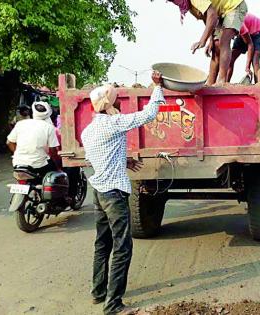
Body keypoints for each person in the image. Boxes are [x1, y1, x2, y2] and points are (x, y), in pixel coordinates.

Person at [81, 71, 165, 315]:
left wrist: (123, 161)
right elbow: (148, 114)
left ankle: (98, 293)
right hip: (114, 194)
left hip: (98, 190)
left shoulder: (89, 130)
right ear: (109, 104)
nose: (120, 100)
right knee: (122, 246)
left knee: (102, 243)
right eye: (116, 98)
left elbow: (96, 156)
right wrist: (157, 87)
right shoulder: (113, 123)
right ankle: (113, 305)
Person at [168, 0, 248, 85]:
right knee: (216, 46)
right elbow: (207, 19)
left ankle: (221, 80)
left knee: (224, 41)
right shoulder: (191, 7)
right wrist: (211, 40)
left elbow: (212, 16)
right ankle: (210, 82)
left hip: (234, 6)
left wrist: (203, 40)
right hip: (220, 12)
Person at [6, 101, 60, 180]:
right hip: (39, 165)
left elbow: (9, 142)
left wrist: (17, 153)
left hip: (18, 163)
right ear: (48, 114)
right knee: (56, 176)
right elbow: (53, 150)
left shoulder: (20, 124)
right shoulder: (49, 127)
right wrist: (57, 165)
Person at [227, 13, 260, 83]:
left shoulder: (239, 25)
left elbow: (250, 45)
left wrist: (247, 67)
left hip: (257, 30)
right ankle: (225, 82)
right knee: (230, 59)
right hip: (244, 30)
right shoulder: (227, 26)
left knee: (255, 61)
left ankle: (259, 84)